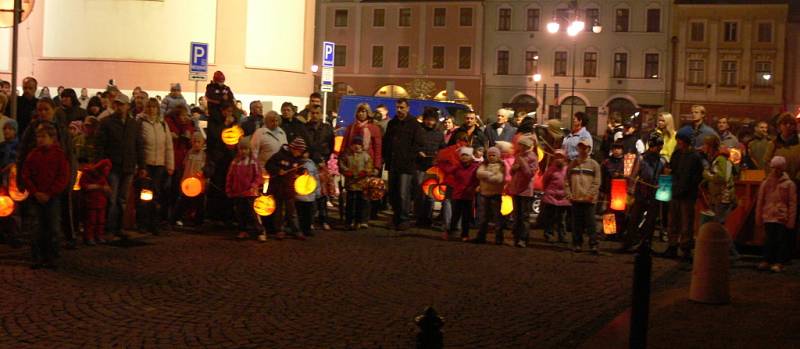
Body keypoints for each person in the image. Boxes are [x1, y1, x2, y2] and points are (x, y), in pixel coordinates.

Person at [22, 123, 70, 269]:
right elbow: (26, 174)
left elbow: (63, 176)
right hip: (36, 197)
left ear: (52, 138)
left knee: (53, 227)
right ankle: (37, 256)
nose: (40, 139)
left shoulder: (59, 155)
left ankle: (52, 256)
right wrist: (35, 191)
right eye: (38, 136)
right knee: (37, 227)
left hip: (52, 198)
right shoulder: (33, 155)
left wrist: (50, 193)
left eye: (43, 137)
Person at [96, 93, 141, 238]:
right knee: (112, 199)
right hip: (113, 166)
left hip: (127, 166)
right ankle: (108, 229)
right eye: (118, 104)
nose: (119, 107)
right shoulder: (106, 122)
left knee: (122, 199)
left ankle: (118, 227)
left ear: (128, 106)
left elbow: (138, 145)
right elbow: (100, 146)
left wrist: (142, 165)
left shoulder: (133, 124)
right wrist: (101, 165)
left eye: (122, 104)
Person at [619, 133, 666, 252]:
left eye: (658, 147)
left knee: (650, 221)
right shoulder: (641, 158)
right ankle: (628, 242)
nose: (655, 149)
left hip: (654, 193)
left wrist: (662, 187)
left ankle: (646, 244)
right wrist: (630, 190)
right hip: (641, 192)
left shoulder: (662, 161)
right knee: (634, 218)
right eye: (653, 146)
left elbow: (664, 177)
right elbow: (634, 175)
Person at [663, 127, 705, 260]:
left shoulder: (695, 157)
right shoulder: (677, 155)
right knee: (673, 222)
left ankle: (686, 248)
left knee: (686, 223)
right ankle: (672, 246)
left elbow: (696, 177)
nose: (679, 143)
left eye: (681, 140)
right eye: (678, 140)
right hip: (675, 194)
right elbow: (672, 170)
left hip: (687, 196)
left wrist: (686, 188)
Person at [383, 98, 422, 230]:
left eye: (402, 107)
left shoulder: (414, 124)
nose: (399, 110)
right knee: (393, 192)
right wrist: (386, 158)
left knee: (403, 193)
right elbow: (387, 142)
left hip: (406, 165)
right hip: (393, 163)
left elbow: (417, 144)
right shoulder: (392, 123)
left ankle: (404, 219)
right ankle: (396, 217)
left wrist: (409, 157)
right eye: (398, 107)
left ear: (407, 108)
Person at [138, 98, 175, 235]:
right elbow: (139, 145)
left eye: (154, 107)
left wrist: (170, 164)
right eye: (150, 107)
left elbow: (168, 146)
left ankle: (154, 223)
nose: (152, 109)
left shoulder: (163, 124)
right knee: (145, 195)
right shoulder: (141, 123)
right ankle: (143, 222)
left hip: (159, 164)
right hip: (146, 164)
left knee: (157, 194)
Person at [755, 156, 797, 273]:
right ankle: (767, 260)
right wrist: (758, 217)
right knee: (769, 239)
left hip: (781, 216)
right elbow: (760, 201)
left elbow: (792, 204)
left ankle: (779, 262)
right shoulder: (766, 183)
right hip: (768, 215)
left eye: (778, 168)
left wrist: (791, 221)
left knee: (781, 240)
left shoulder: (789, 184)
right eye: (773, 168)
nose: (775, 171)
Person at [265, 138, 307, 240]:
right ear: (293, 148)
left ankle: (296, 230)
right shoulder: (279, 156)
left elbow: (300, 169)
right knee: (279, 211)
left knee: (292, 211)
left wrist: (303, 172)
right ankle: (279, 230)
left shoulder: (298, 159)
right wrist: (278, 170)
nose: (300, 153)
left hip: (289, 189)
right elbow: (268, 165)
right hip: (278, 187)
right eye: (299, 151)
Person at [565, 138, 601, 253]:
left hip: (589, 200)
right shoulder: (573, 164)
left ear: (589, 149)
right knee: (577, 224)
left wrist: (590, 195)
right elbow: (566, 180)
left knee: (591, 223)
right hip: (576, 198)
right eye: (580, 147)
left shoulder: (594, 164)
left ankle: (593, 244)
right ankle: (577, 243)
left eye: (584, 147)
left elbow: (597, 182)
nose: (582, 150)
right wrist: (569, 194)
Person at [226, 140, 265, 241]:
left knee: (253, 213)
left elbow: (258, 176)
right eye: (241, 149)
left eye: (245, 149)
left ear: (249, 150)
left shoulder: (253, 162)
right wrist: (229, 189)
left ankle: (260, 231)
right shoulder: (235, 162)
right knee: (240, 212)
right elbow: (230, 176)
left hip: (250, 193)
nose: (243, 151)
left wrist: (254, 185)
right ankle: (243, 230)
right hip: (238, 192)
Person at [439, 146, 479, 241]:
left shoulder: (475, 168)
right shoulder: (457, 167)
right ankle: (450, 233)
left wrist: (474, 187)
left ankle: (465, 235)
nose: (464, 157)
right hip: (457, 195)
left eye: (466, 155)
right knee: (455, 215)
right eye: (462, 155)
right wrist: (441, 162)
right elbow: (447, 170)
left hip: (468, 195)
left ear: (470, 156)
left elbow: (476, 180)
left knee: (466, 216)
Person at [414, 108, 444, 227]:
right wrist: (419, 152)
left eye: (432, 120)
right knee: (420, 192)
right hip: (420, 165)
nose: (430, 122)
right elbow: (414, 145)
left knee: (430, 193)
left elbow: (442, 148)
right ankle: (419, 217)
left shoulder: (439, 133)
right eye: (428, 120)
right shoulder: (419, 130)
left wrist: (438, 155)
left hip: (433, 166)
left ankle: (428, 218)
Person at [507, 137, 538, 248]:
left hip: (525, 190)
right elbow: (512, 172)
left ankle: (523, 239)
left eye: (520, 145)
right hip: (516, 189)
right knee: (516, 215)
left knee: (524, 216)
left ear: (526, 146)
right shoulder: (519, 156)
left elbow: (530, 174)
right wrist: (514, 168)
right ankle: (516, 237)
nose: (518, 147)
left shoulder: (532, 157)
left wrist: (522, 163)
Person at [174, 133, 207, 228]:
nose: (196, 144)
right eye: (195, 142)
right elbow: (185, 166)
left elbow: (206, 168)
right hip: (188, 182)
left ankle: (198, 222)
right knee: (184, 201)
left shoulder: (204, 155)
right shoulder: (189, 153)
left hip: (199, 184)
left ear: (202, 143)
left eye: (199, 142)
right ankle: (178, 218)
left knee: (199, 203)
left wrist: (202, 172)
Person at [339, 136, 373, 230]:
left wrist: (365, 172)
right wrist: (347, 172)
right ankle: (349, 220)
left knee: (361, 202)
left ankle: (361, 220)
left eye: (359, 144)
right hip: (351, 183)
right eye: (355, 144)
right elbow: (342, 165)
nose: (356, 146)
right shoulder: (347, 155)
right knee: (350, 202)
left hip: (362, 183)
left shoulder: (365, 155)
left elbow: (369, 165)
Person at [473, 146, 506, 244]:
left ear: (498, 156)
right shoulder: (484, 165)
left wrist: (486, 176)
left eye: (493, 155)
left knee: (497, 217)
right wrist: (491, 174)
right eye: (489, 155)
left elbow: (499, 179)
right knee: (483, 217)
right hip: (484, 193)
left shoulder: (502, 166)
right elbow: (478, 173)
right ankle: (481, 237)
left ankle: (499, 238)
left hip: (495, 194)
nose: (491, 157)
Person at [78, 158, 112, 245]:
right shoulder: (87, 174)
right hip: (91, 202)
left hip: (101, 202)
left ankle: (98, 236)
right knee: (91, 221)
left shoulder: (102, 176)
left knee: (100, 221)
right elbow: (84, 186)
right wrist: (99, 187)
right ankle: (89, 237)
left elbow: (106, 188)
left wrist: (107, 190)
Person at [540, 149, 570, 243]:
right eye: (556, 157)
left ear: (564, 158)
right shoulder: (551, 169)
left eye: (560, 157)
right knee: (550, 218)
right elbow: (545, 181)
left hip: (563, 197)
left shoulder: (568, 169)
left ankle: (562, 236)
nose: (558, 159)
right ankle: (549, 234)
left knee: (562, 219)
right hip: (551, 196)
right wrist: (547, 191)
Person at [0, 120, 20, 248]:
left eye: (10, 129)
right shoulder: (1, 146)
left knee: (14, 210)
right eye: (5, 129)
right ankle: (2, 233)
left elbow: (19, 161)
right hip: (1, 179)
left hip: (13, 182)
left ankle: (14, 235)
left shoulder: (19, 146)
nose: (7, 131)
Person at [601, 142, 626, 241]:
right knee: (609, 212)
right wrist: (602, 190)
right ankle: (609, 233)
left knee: (621, 213)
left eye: (619, 148)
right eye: (615, 148)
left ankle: (620, 233)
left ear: (622, 150)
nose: (616, 150)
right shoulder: (606, 162)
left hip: (622, 191)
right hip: (609, 190)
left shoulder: (626, 162)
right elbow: (602, 177)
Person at [296, 150, 321, 236]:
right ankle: (300, 228)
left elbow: (316, 178)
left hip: (309, 192)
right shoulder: (296, 163)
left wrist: (317, 190)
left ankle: (307, 228)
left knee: (308, 212)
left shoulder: (311, 164)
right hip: (299, 193)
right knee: (300, 212)